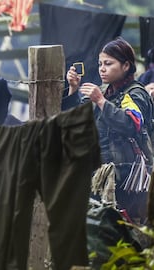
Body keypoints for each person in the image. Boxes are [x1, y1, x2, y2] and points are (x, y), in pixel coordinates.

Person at [63, 36, 154, 224]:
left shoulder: (135, 93)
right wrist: (73, 89)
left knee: (119, 228)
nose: (102, 68)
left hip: (124, 177)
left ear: (126, 66)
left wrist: (101, 102)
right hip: (97, 172)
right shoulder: (104, 91)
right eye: (100, 64)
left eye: (108, 63)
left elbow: (131, 125)